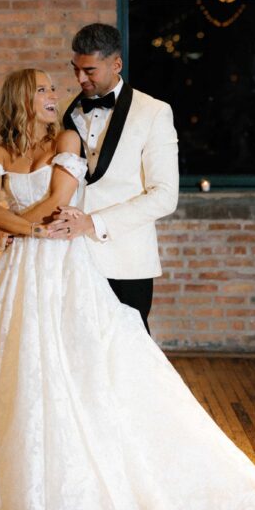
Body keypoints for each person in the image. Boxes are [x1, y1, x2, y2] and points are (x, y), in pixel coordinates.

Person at [0, 67, 255, 510]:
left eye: (54, 86)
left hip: (62, 261)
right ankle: (31, 487)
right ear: (21, 99)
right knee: (24, 368)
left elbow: (57, 199)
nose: (55, 93)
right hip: (21, 271)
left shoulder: (66, 137)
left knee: (86, 363)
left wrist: (12, 226)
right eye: (42, 89)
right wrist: (17, 227)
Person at [46, 23, 179, 334]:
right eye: (76, 69)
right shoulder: (67, 113)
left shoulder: (154, 112)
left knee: (129, 362)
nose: (80, 79)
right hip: (71, 258)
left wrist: (93, 223)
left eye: (89, 70)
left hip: (126, 261)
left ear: (116, 64)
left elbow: (164, 196)